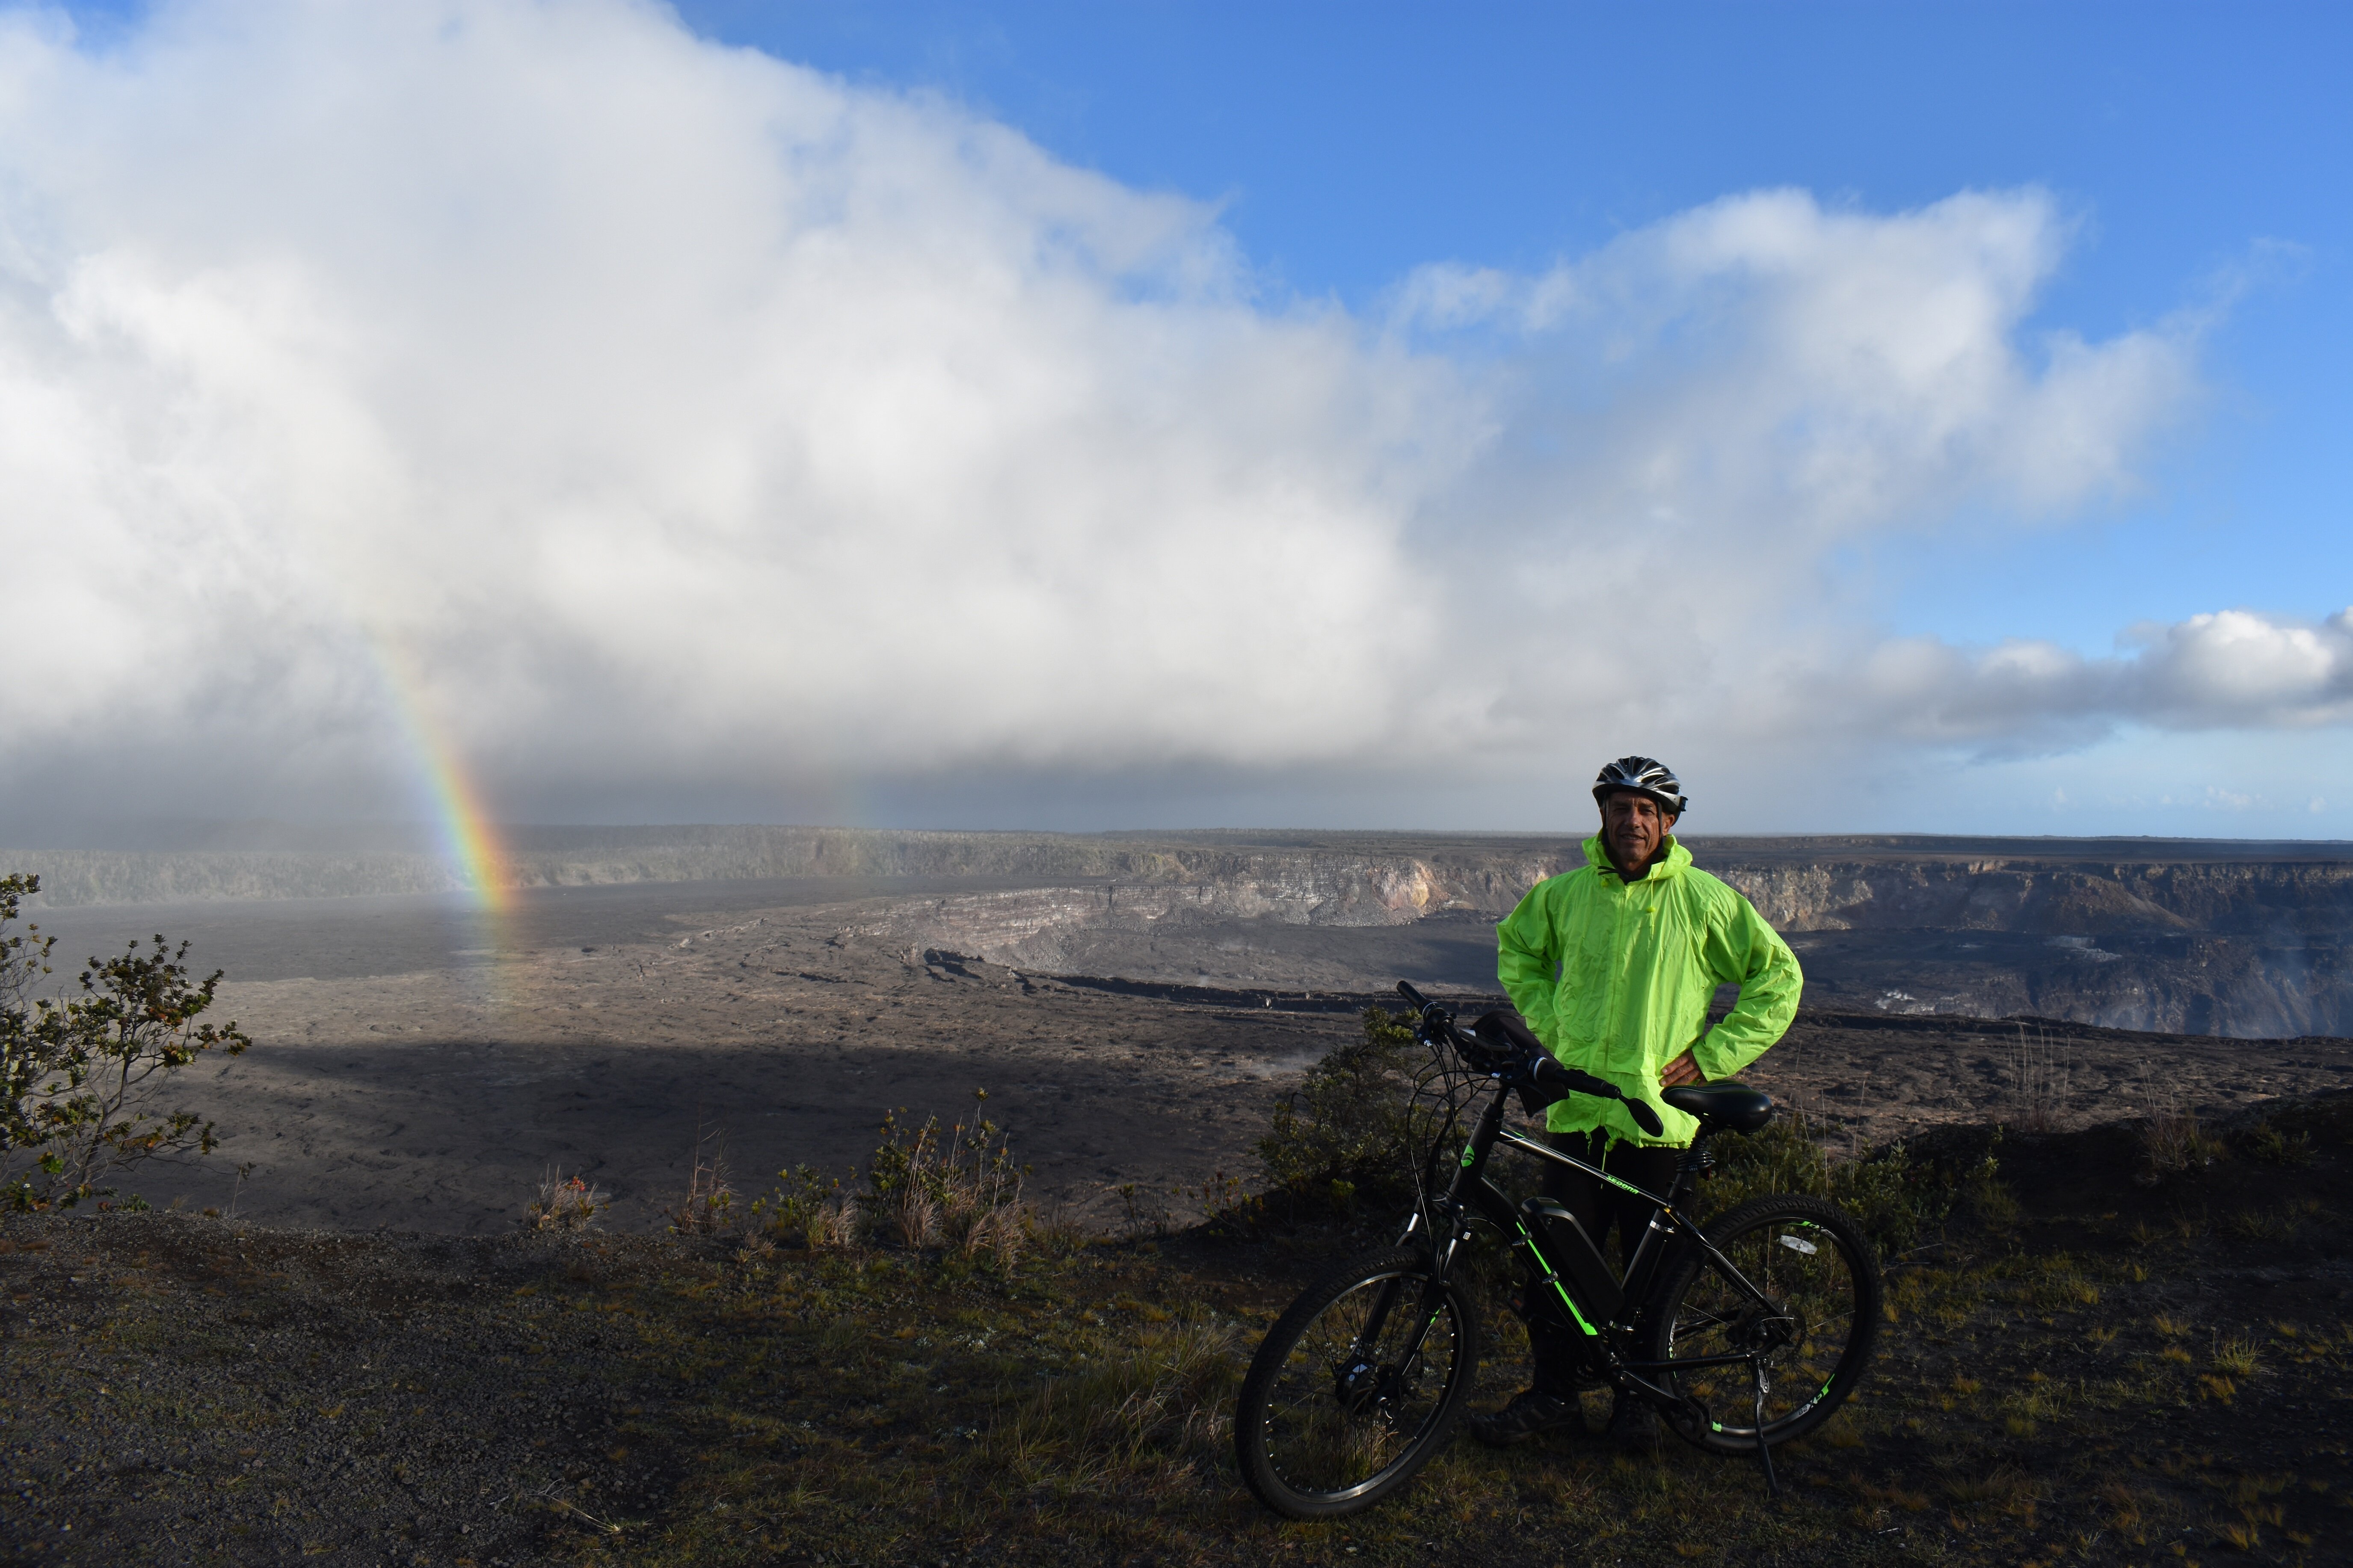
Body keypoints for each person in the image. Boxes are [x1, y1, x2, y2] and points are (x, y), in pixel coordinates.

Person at [1467, 755, 1803, 1449]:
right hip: (1578, 1114)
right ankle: (1555, 1395)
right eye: (1621, 807)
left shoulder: (1705, 900)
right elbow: (1517, 950)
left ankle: (1639, 1404)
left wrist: (1711, 1057)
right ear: (1603, 817)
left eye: (1647, 810)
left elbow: (1780, 976)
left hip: (1658, 1123)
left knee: (1651, 1279)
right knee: (1554, 1269)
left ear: (1669, 823)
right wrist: (1553, 1033)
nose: (1633, 821)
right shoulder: (1565, 895)